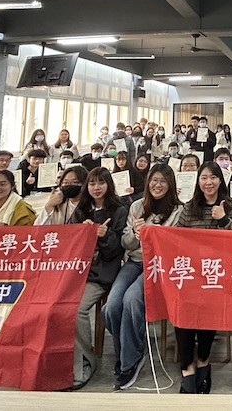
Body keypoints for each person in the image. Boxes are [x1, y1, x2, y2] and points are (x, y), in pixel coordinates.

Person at [107, 163, 183, 389]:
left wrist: (158, 235)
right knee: (111, 306)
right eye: (154, 180)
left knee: (132, 300)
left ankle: (129, 361)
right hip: (134, 262)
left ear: (170, 184)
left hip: (157, 265)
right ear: (148, 182)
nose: (158, 185)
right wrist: (135, 234)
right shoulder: (136, 206)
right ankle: (129, 349)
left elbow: (174, 245)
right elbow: (126, 243)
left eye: (163, 181)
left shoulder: (178, 210)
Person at [175, 162, 232, 393]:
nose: (208, 182)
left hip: (217, 273)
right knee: (183, 307)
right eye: (204, 177)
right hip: (191, 272)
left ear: (220, 181)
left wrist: (223, 219)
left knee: (209, 305)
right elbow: (176, 237)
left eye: (213, 177)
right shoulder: (189, 207)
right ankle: (187, 367)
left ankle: (203, 359)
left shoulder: (230, 206)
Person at [68, 167, 129, 389]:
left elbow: (117, 250)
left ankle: (85, 361)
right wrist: (79, 231)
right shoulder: (81, 209)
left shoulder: (119, 210)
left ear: (108, 185)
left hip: (101, 273)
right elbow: (68, 241)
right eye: (92, 183)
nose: (96, 187)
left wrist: (104, 236)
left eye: (101, 182)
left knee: (76, 310)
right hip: (76, 272)